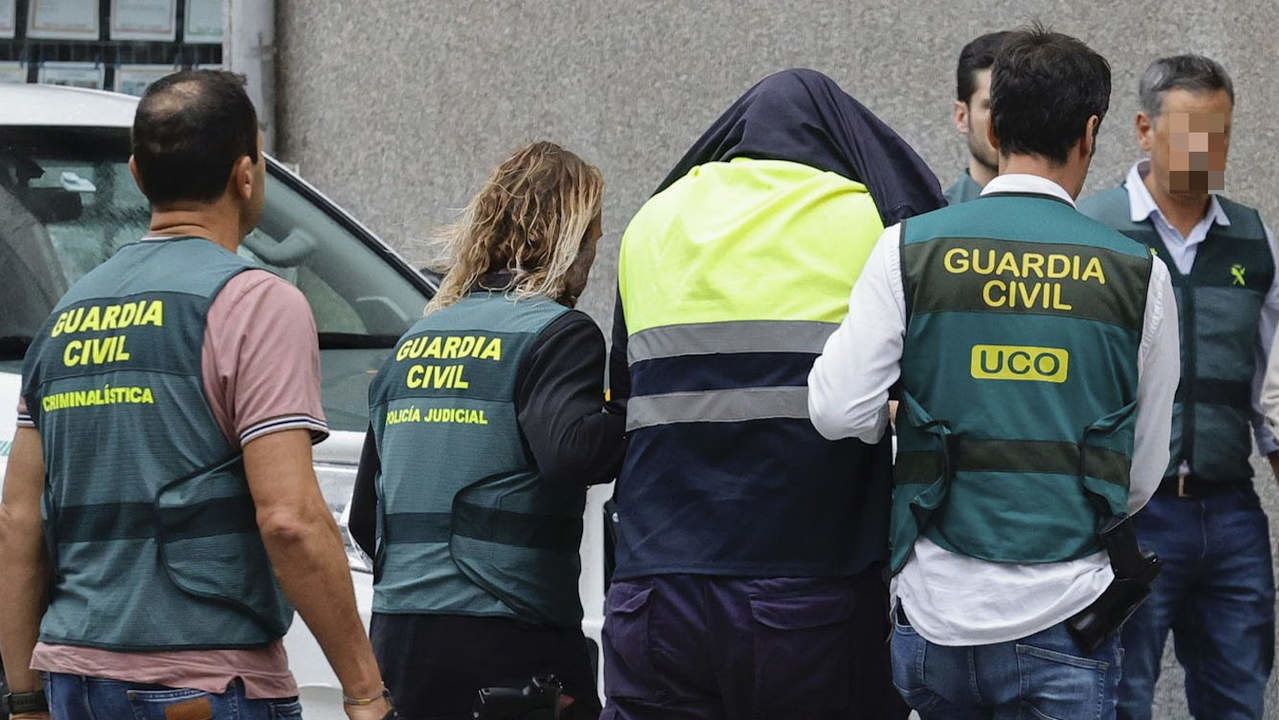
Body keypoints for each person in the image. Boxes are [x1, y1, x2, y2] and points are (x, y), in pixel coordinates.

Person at [809, 27, 1179, 718]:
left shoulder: (907, 249)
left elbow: (836, 411)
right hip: (1064, 616)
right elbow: (1139, 472)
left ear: (994, 121)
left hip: (934, 619)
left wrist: (904, 419)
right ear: (1090, 131)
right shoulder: (1137, 273)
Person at [0, 71, 393, 720]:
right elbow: (290, 518)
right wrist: (365, 691)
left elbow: (18, 522)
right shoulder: (255, 303)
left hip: (74, 679)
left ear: (135, 174)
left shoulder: (66, 316)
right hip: (206, 685)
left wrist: (23, 696)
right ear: (246, 174)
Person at [603, 68, 943, 720]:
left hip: (649, 593)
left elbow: (626, 393)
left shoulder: (651, 221)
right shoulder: (864, 215)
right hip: (800, 590)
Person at [348, 141, 624, 720]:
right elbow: (573, 454)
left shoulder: (414, 341)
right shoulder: (559, 335)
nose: (596, 254)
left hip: (400, 640)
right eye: (596, 235)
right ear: (570, 238)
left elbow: (364, 520)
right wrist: (632, 401)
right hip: (511, 643)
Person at [1079, 54, 1279, 720]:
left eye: (1219, 133)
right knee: (1120, 698)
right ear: (1142, 128)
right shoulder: (1091, 232)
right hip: (1129, 517)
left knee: (1237, 698)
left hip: (1230, 514)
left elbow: (1271, 399)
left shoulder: (1257, 242)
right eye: (1190, 130)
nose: (1205, 149)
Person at [944, 31, 1009, 204]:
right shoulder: (931, 224)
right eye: (993, 107)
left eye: (1021, 106)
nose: (1008, 119)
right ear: (962, 117)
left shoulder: (1070, 221)